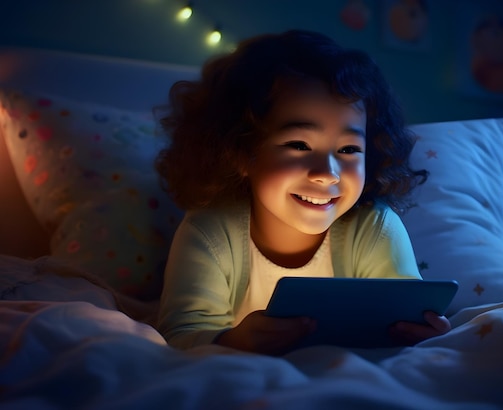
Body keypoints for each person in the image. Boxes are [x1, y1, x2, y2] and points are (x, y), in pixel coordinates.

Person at [155, 29, 451, 355]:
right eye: (299, 145)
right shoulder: (210, 229)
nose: (326, 173)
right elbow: (181, 334)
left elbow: (407, 314)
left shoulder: (375, 225)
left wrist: (423, 330)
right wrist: (233, 341)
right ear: (241, 152)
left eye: (349, 149)